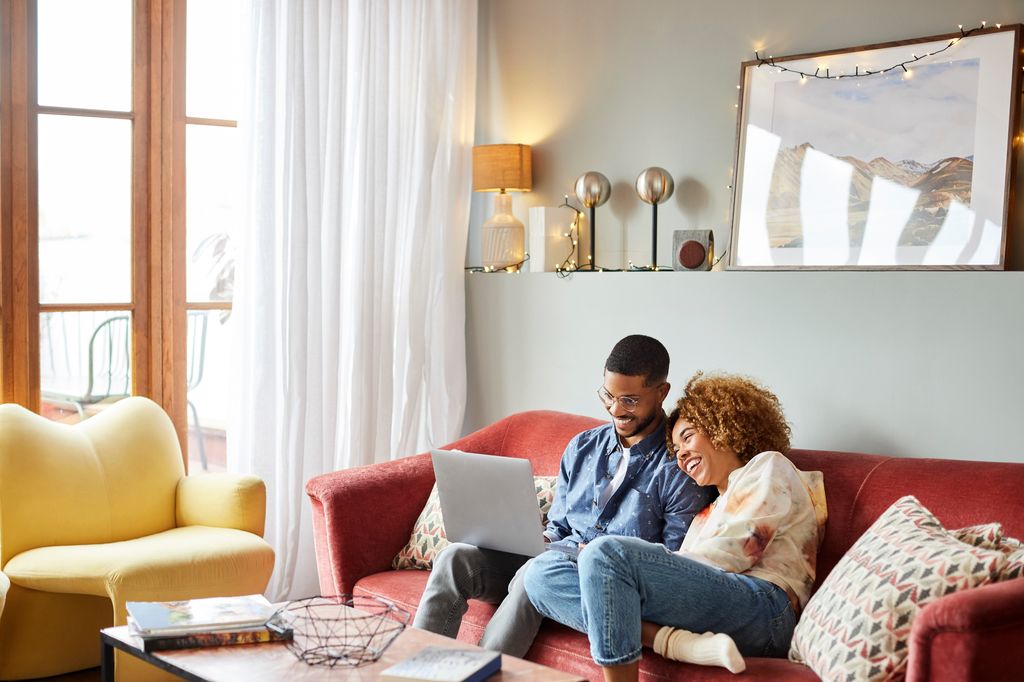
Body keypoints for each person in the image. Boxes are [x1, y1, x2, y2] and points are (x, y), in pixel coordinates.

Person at [412, 335, 717, 656]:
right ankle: (417, 671)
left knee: (536, 572)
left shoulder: (679, 467)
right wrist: (526, 539)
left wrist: (596, 553)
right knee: (455, 557)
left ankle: (482, 674)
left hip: (600, 580)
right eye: (608, 396)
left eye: (629, 400)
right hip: (554, 555)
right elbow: (558, 527)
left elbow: (672, 563)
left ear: (661, 392)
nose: (615, 409)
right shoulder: (583, 447)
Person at [524, 372, 827, 681]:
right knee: (538, 575)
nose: (680, 454)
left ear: (722, 427)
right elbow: (685, 581)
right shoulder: (705, 514)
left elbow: (732, 556)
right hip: (717, 606)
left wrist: (610, 560)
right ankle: (672, 642)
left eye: (688, 437)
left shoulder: (767, 467)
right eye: (675, 448)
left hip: (765, 611)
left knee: (605, 554)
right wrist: (603, 567)